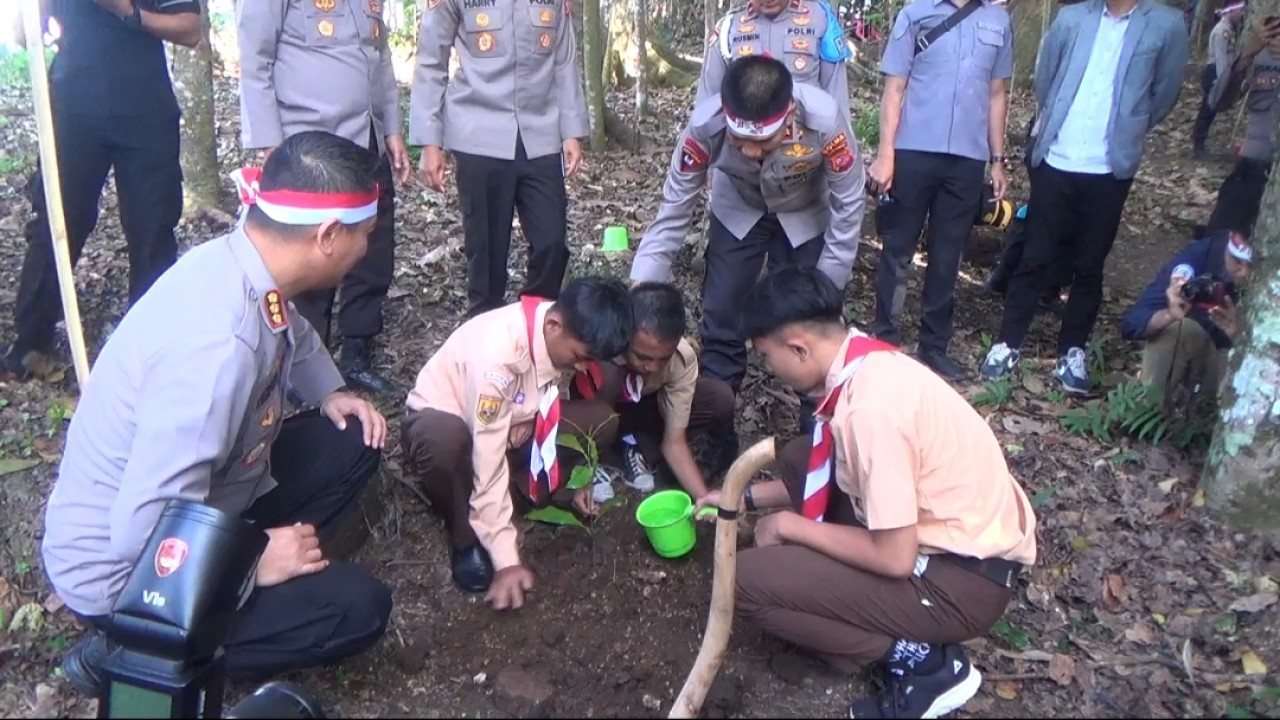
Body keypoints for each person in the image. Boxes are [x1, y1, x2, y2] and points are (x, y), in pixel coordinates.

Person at [41, 131, 395, 697]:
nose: (367, 250)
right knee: (356, 609)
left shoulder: (245, 263)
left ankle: (235, 573)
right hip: (129, 572)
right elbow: (144, 530)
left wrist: (329, 391)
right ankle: (129, 646)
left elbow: (293, 334)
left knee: (351, 438)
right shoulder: (217, 350)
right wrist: (254, 563)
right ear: (329, 236)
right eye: (366, 236)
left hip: (205, 497)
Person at [708, 265, 1037, 719]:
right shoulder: (868, 360)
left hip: (956, 583)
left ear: (799, 347)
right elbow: (829, 471)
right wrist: (738, 500)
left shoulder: (872, 411)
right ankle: (858, 621)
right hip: (956, 542)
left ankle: (926, 664)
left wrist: (790, 526)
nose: (769, 367)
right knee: (801, 457)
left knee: (744, 581)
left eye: (767, 355)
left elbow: (894, 558)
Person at [630, 55, 865, 441]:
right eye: (739, 142)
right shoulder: (704, 127)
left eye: (763, 142)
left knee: (810, 325)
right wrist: (640, 288)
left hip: (804, 214)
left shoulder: (823, 120)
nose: (751, 152)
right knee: (721, 312)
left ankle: (817, 433)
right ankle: (714, 432)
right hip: (738, 210)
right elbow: (672, 212)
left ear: (789, 115)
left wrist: (828, 286)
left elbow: (849, 204)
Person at [979, 0, 1189, 393]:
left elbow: (1164, 94)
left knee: (1090, 265)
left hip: (1109, 168)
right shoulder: (1071, 18)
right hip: (1057, 158)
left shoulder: (1166, 25)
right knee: (1034, 256)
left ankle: (1071, 352)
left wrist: (1131, 127)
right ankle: (1007, 343)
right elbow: (1046, 78)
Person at [399, 278, 634, 609]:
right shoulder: (497, 358)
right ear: (554, 325)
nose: (582, 367)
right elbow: (488, 453)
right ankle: (467, 536)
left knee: (602, 421)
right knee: (447, 444)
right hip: (449, 420)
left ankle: (520, 494)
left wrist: (525, 418)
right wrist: (507, 559)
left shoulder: (551, 325)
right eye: (580, 357)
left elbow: (539, 393)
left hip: (508, 420)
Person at [2, 0, 203, 380]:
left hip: (146, 112)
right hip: (74, 112)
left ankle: (149, 346)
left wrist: (127, 12)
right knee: (58, 222)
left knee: (152, 227)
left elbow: (190, 29)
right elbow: (21, 35)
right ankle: (30, 342)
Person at [237, 0, 414, 396]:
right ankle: (300, 364)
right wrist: (270, 144)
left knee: (373, 252)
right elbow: (255, 56)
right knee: (312, 257)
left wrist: (391, 129)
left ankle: (357, 352)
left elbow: (379, 57)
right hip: (309, 148)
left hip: (364, 140)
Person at [409, 0, 589, 319]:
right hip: (480, 133)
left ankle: (531, 325)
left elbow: (564, 61)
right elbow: (430, 60)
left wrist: (571, 131)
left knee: (552, 242)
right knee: (487, 254)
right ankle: (483, 334)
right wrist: (429, 141)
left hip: (540, 132)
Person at [864, 0, 1013, 382]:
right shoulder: (916, 13)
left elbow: (997, 94)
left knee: (948, 255)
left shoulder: (996, 20)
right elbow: (894, 88)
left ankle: (934, 346)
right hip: (914, 149)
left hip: (966, 158)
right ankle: (885, 340)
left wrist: (997, 160)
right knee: (897, 249)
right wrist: (886, 155)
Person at [568, 282, 738, 505]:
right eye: (643, 357)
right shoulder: (599, 343)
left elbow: (674, 442)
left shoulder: (680, 359)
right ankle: (594, 461)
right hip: (595, 414)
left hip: (643, 413)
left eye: (663, 359)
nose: (653, 368)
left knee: (718, 397)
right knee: (607, 379)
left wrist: (703, 497)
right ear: (626, 335)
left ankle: (636, 447)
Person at [1120, 230, 1251, 401]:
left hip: (1250, 376)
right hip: (1205, 358)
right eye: (1238, 261)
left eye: (1253, 265)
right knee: (1179, 329)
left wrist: (1240, 335)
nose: (1245, 273)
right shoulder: (1205, 254)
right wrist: (1170, 314)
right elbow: (1132, 323)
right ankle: (1146, 416)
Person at [699, 0, 852, 121]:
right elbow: (706, 105)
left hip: (805, 149)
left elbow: (837, 99)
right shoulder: (728, 27)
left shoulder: (821, 19)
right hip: (744, 147)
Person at [1204, 15, 1280, 237]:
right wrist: (1246, 55)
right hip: (1251, 168)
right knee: (1218, 248)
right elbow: (1217, 102)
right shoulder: (1263, 52)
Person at [1192, 0, 1245, 158]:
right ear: (1230, 12)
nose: (1241, 14)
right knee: (1207, 109)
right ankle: (1198, 145)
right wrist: (1223, 80)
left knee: (1211, 110)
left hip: (1220, 72)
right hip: (1215, 72)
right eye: (1239, 11)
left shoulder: (1229, 30)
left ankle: (1200, 143)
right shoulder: (1222, 31)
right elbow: (1221, 58)